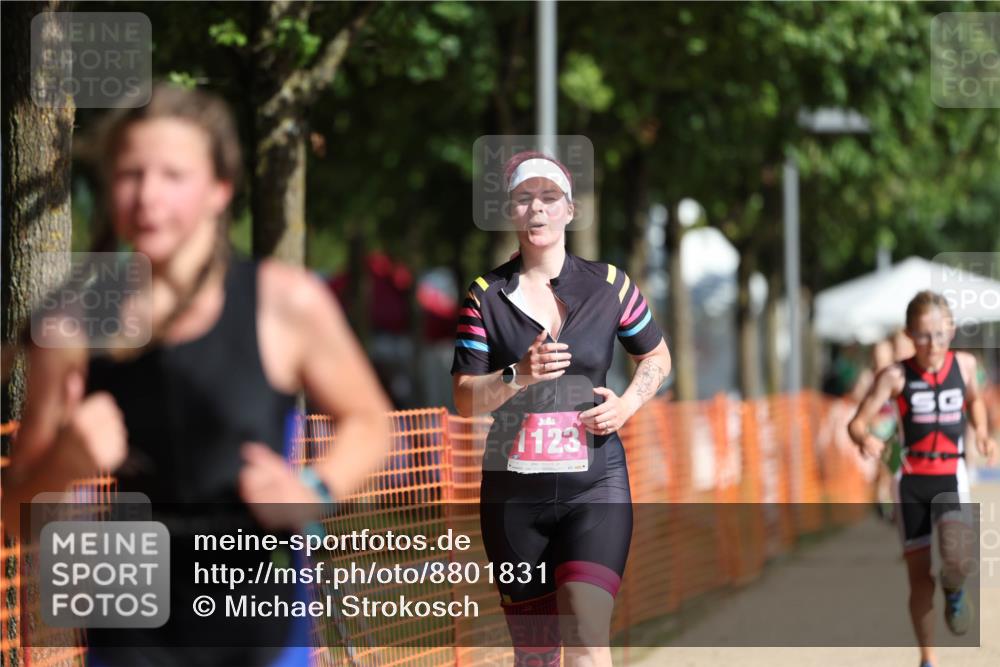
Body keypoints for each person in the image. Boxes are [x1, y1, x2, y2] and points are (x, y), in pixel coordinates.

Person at [1, 84, 393, 666]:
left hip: (257, 616)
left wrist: (312, 490)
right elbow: (15, 508)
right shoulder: (77, 320)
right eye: (131, 174)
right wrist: (66, 460)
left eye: (172, 175)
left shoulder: (284, 303)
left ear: (219, 190)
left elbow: (370, 421)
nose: (148, 196)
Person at [451, 151, 672, 667]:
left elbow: (657, 357)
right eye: (525, 199)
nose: (538, 210)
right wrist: (516, 374)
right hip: (513, 498)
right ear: (511, 211)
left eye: (550, 198)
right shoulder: (485, 297)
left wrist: (628, 404)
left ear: (570, 210)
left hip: (595, 485)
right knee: (534, 655)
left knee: (587, 632)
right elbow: (464, 397)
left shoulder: (610, 286)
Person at [849, 291, 997, 667]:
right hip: (911, 479)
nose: (933, 344)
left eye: (940, 334)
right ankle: (928, 658)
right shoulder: (895, 375)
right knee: (918, 580)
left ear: (951, 330)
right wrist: (865, 438)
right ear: (909, 335)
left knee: (958, 559)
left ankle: (955, 589)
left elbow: (975, 399)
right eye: (923, 336)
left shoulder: (964, 365)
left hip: (951, 473)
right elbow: (857, 421)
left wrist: (981, 430)